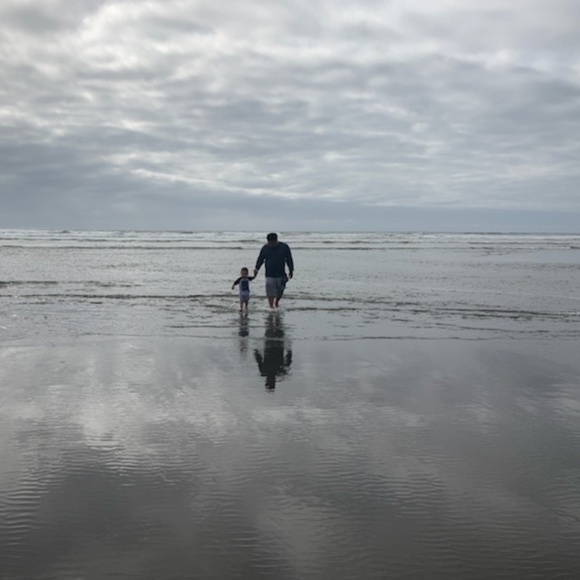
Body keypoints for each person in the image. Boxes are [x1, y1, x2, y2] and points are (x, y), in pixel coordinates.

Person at [254, 233, 294, 308]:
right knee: (270, 291)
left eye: (273, 243)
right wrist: (257, 268)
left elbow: (289, 259)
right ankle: (271, 306)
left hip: (281, 274)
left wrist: (291, 270)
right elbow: (260, 259)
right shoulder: (265, 248)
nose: (271, 244)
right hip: (269, 274)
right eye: (270, 243)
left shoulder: (284, 247)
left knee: (281, 290)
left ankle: (277, 301)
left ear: (276, 240)